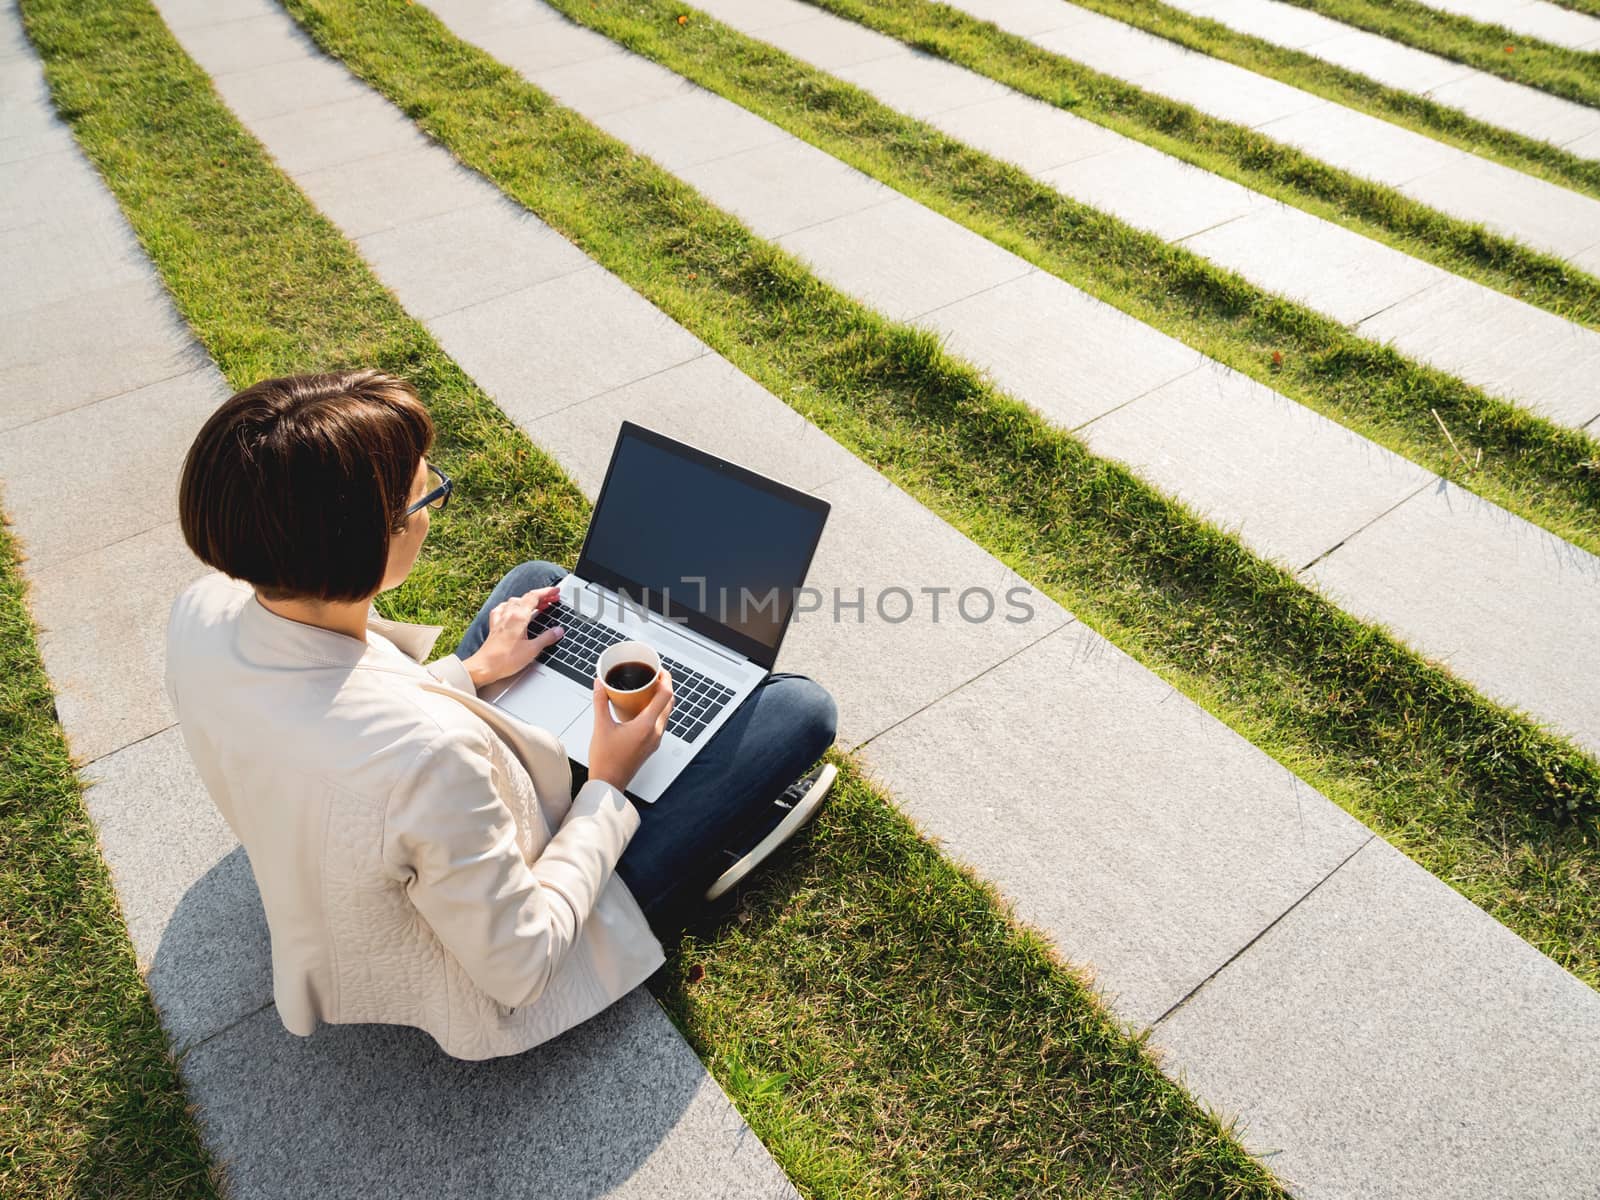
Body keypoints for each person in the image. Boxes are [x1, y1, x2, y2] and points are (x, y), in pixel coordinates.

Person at [163, 369, 838, 1061]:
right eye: (426, 493)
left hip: (397, 822)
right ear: (378, 538)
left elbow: (334, 707)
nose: (431, 506)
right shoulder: (428, 758)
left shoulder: (201, 609)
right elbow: (522, 963)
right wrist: (606, 784)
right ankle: (718, 839)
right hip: (510, 956)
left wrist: (476, 671)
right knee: (800, 710)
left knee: (538, 587)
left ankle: (603, 749)